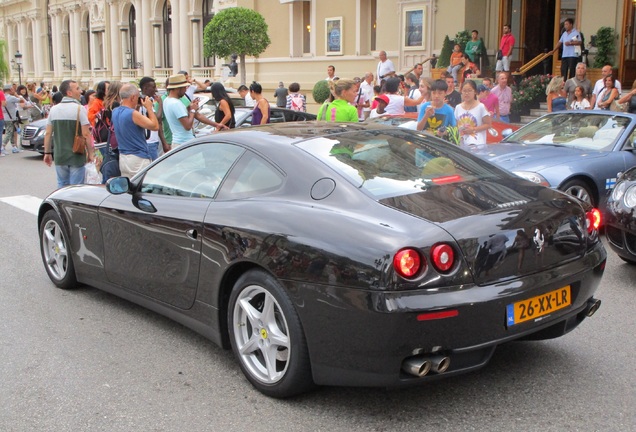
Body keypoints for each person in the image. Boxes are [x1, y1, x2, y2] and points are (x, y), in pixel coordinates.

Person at [43, 80, 94, 187]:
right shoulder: (80, 109)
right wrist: (91, 153)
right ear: (69, 93)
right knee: (76, 187)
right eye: (77, 89)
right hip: (76, 155)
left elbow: (48, 133)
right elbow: (86, 134)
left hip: (60, 155)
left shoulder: (54, 109)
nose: (80, 91)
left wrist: (47, 153)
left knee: (62, 184)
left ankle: (61, 203)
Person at [163, 74, 226, 148]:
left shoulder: (167, 100)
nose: (186, 90)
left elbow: (197, 115)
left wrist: (216, 125)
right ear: (177, 88)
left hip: (178, 142)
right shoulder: (176, 103)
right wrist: (192, 110)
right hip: (184, 143)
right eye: (184, 87)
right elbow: (187, 126)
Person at [111, 84, 159, 178]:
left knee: (129, 187)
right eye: (137, 97)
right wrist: (149, 108)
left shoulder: (115, 111)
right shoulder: (133, 114)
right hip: (138, 158)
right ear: (133, 97)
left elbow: (131, 122)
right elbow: (155, 126)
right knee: (141, 186)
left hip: (124, 157)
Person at [454, 79, 492, 150]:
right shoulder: (458, 107)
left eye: (469, 90)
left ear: (475, 92)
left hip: (477, 145)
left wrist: (473, 129)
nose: (466, 93)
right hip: (461, 144)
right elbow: (456, 126)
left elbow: (488, 125)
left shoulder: (481, 107)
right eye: (464, 91)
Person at [139, 76, 169, 159]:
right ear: (145, 88)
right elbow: (157, 119)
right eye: (153, 87)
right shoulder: (144, 103)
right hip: (149, 142)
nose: (156, 90)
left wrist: (163, 142)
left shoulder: (149, 101)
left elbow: (158, 124)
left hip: (153, 141)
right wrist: (160, 104)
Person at [2, 84, 28, 155]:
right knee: (9, 132)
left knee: (11, 131)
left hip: (5, 117)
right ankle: (3, 146)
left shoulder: (3, 97)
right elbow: (23, 101)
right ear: (10, 90)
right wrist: (15, 94)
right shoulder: (11, 98)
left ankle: (14, 146)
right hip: (11, 117)